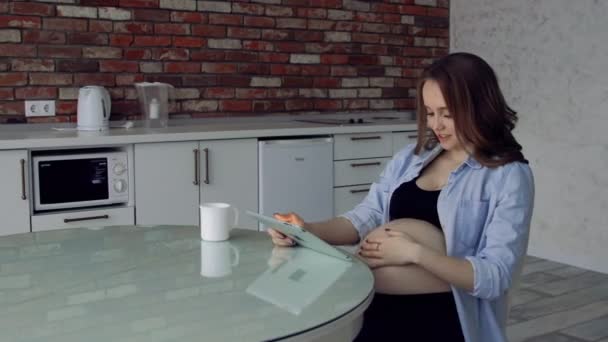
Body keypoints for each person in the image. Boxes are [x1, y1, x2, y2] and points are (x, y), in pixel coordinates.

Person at [267, 52, 534, 342]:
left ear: (479, 107)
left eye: (447, 113)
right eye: (430, 113)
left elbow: (495, 276)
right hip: (378, 309)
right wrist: (307, 230)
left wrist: (413, 254)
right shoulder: (410, 159)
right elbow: (363, 218)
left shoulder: (508, 175)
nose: (436, 125)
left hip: (444, 320)